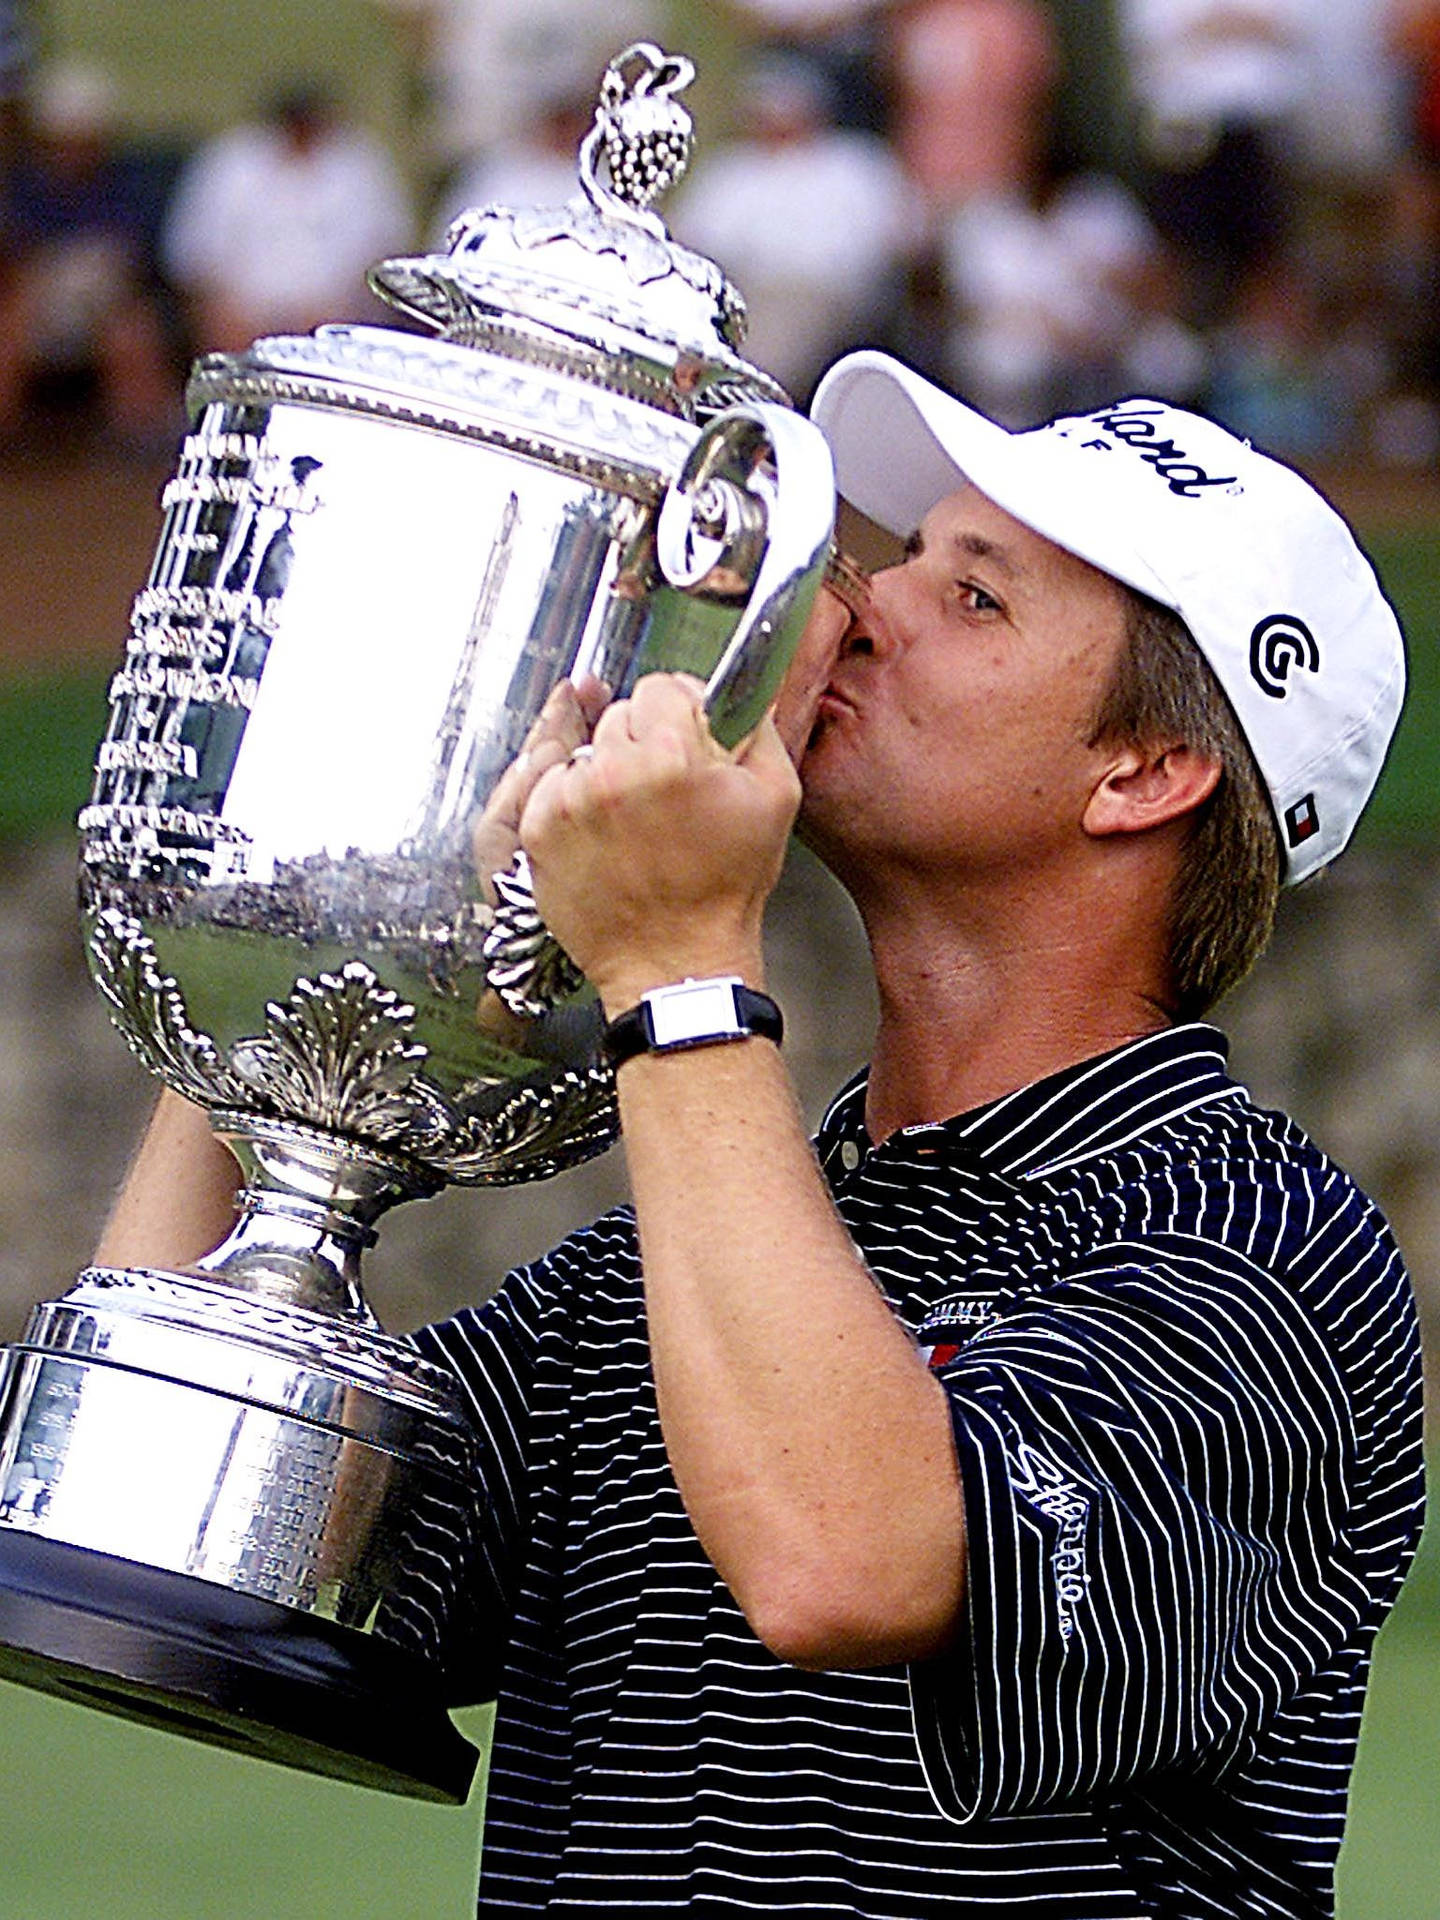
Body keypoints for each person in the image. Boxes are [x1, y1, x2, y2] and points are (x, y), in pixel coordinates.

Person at [98, 355, 1424, 1915]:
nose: (855, 603)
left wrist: (674, 965)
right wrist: (363, 912)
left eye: (976, 600)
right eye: (906, 557)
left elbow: (846, 1561)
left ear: (1145, 777)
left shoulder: (1262, 1261)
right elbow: (162, 1513)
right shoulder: (685, 1259)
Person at [160, 82, 412, 356]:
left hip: (336, 318)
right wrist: (223, 313)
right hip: (242, 320)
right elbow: (194, 258)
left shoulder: (361, 164)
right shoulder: (231, 162)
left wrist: (342, 310)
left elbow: (385, 252)